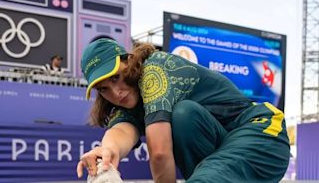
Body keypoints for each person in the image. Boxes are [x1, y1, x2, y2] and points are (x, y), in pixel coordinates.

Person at [76, 38, 290, 183]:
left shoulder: (154, 69)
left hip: (261, 132)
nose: (116, 92)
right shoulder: (126, 101)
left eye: (116, 77)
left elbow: (159, 153)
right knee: (184, 115)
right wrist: (108, 150)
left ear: (129, 60)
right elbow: (122, 131)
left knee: (183, 115)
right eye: (104, 89)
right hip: (221, 148)